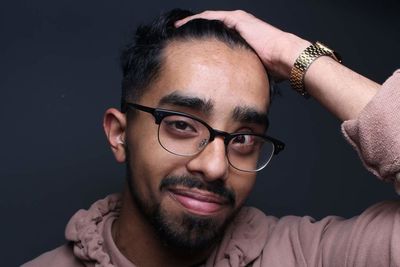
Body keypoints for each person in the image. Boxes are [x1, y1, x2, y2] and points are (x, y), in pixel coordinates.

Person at [23, 8, 400, 267]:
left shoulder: (310, 256)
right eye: (182, 125)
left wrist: (293, 55)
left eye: (243, 138)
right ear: (120, 134)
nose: (216, 166)